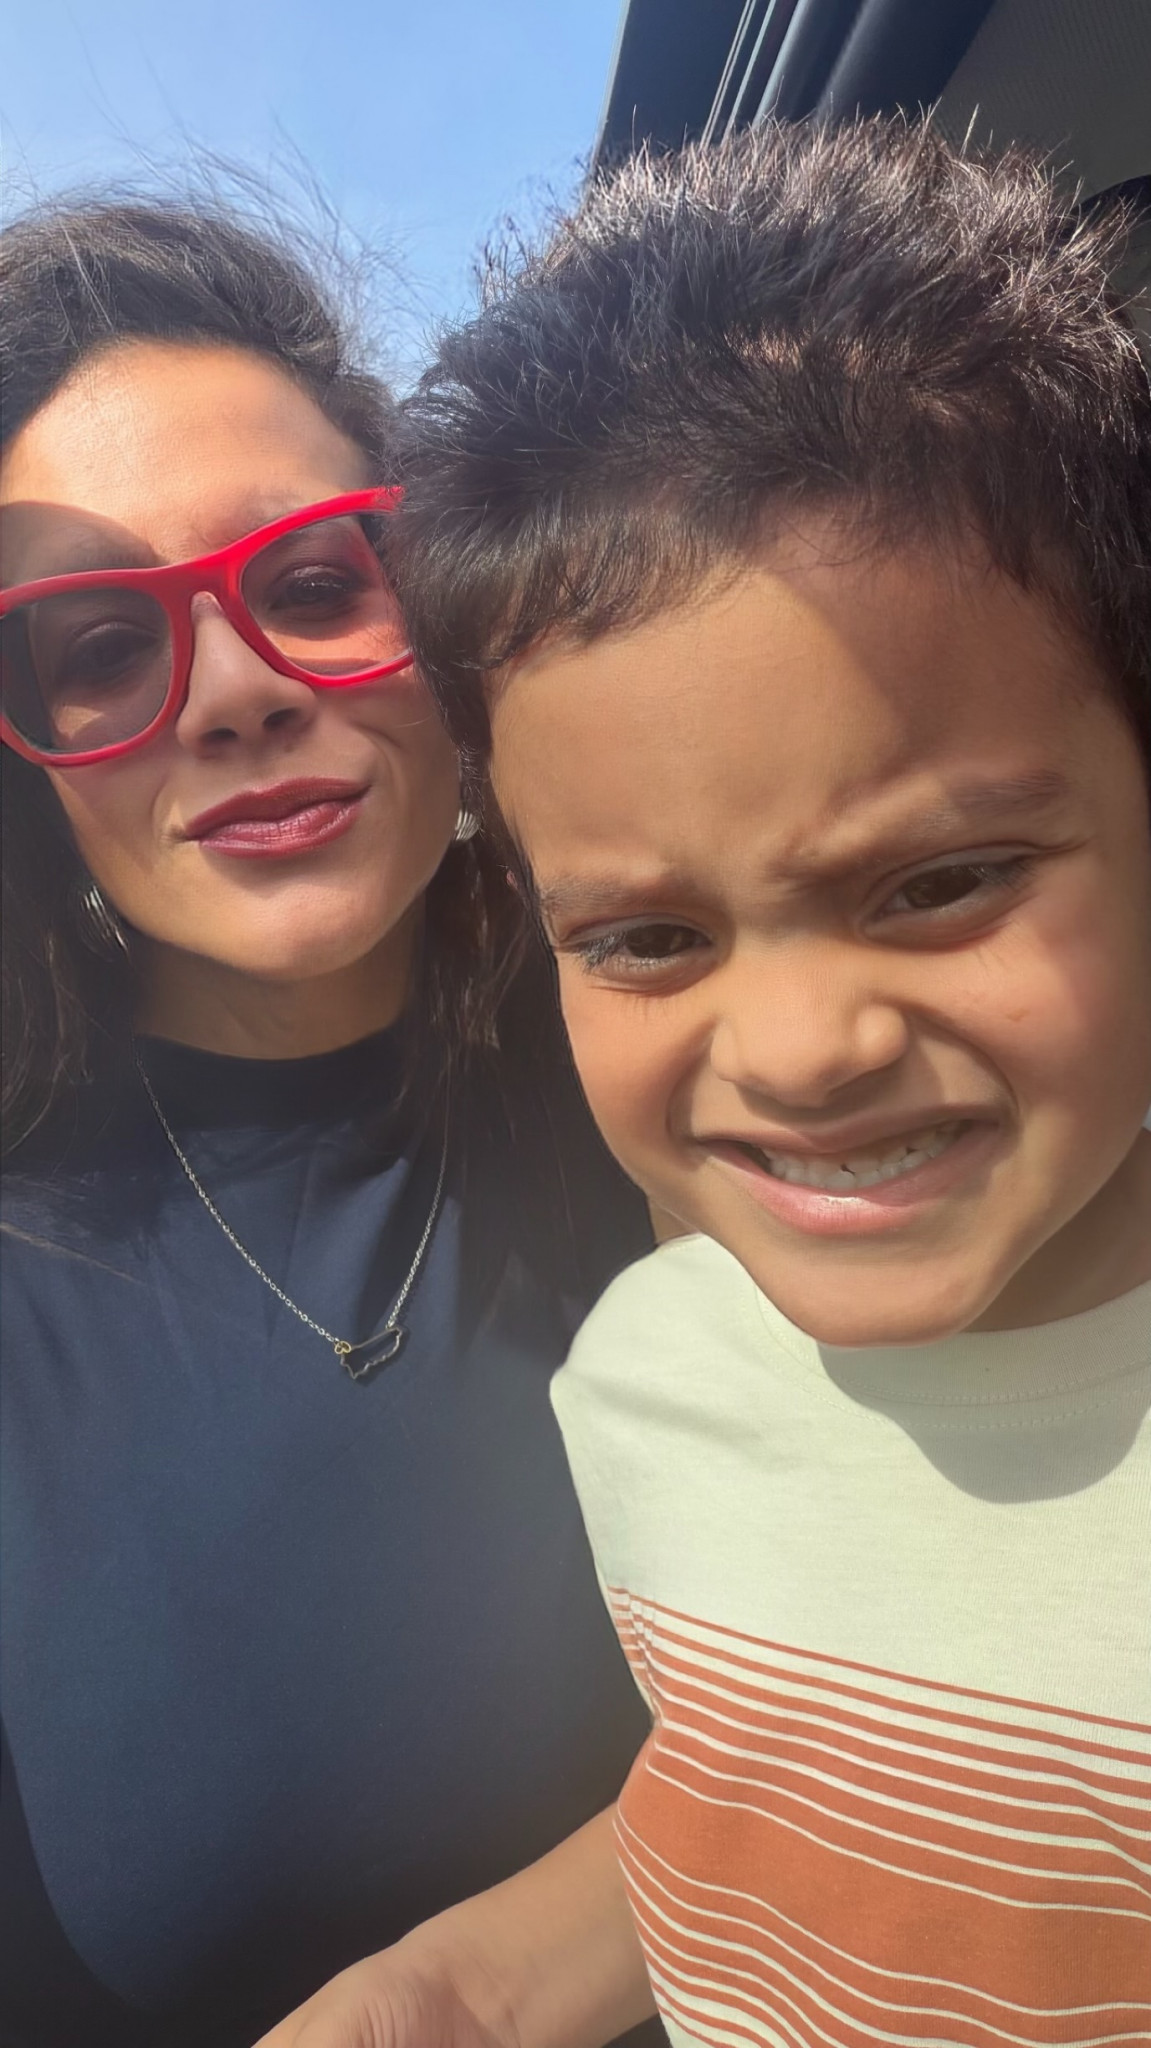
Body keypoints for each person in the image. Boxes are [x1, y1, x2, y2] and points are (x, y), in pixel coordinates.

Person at [355, 117, 1149, 2046]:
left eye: (939, 882)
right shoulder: (650, 1377)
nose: (800, 1049)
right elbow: (802, 1817)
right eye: (645, 937)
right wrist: (445, 1993)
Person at [0, 196, 667, 2048]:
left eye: (311, 584)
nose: (232, 694)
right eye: (95, 644)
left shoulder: (694, 1068)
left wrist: (473, 1993)